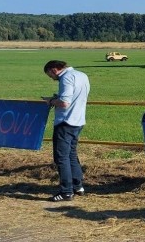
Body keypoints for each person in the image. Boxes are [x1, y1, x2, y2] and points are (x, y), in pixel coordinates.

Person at [42, 60, 90, 202]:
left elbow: (65, 103)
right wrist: (57, 98)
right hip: (78, 121)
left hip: (65, 122)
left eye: (50, 75)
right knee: (71, 155)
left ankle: (66, 192)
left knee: (61, 157)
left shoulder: (66, 78)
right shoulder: (82, 75)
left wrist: (51, 101)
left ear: (54, 70)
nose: (52, 78)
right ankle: (78, 186)